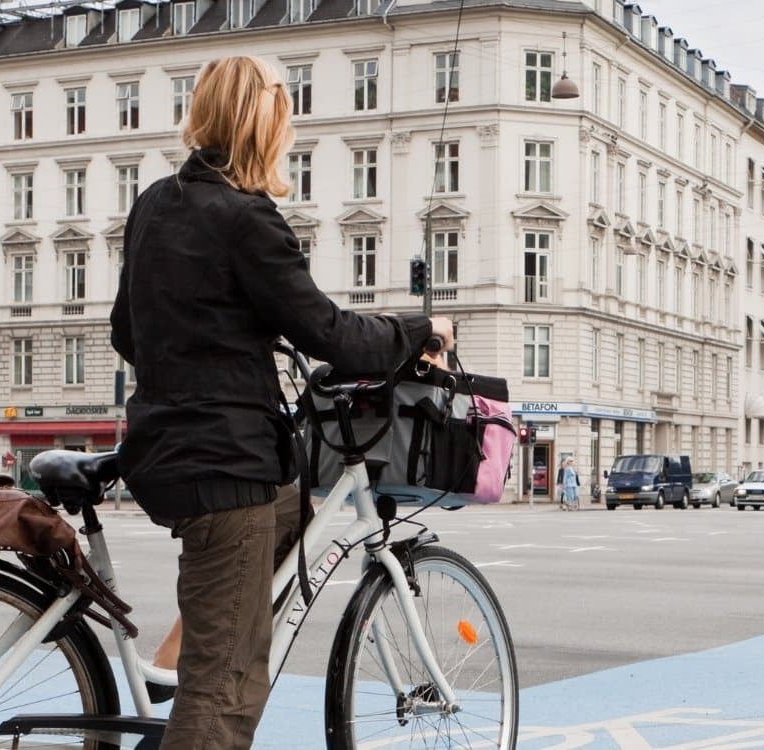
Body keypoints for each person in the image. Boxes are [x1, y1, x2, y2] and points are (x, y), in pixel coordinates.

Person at [110, 56, 453, 750]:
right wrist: (421, 329)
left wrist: (217, 347)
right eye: (284, 117)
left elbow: (126, 331)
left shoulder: (155, 201)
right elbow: (331, 333)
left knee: (294, 508)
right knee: (228, 690)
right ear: (264, 123)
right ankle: (204, 660)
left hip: (164, 447)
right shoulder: (246, 218)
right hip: (222, 463)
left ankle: (187, 650)